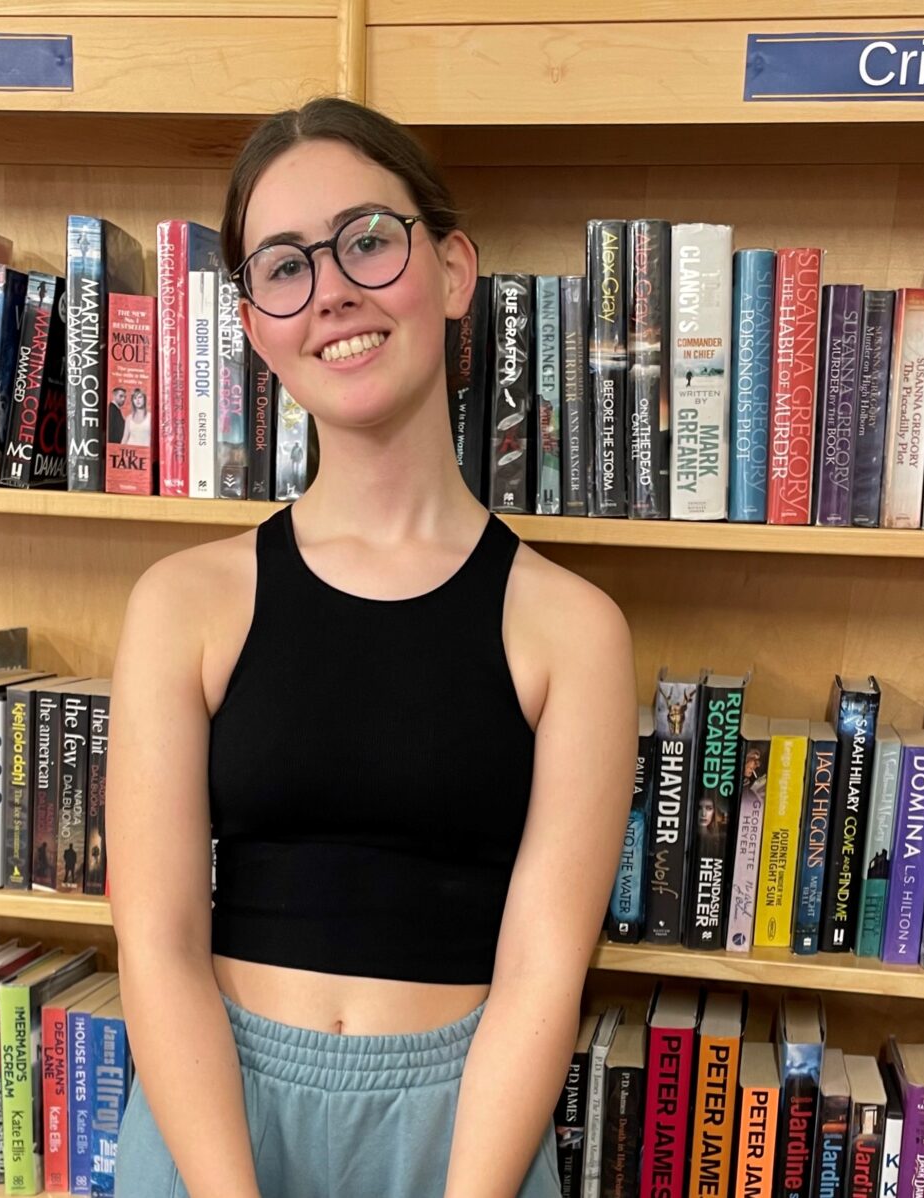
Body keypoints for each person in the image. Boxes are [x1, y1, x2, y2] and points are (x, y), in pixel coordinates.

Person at [108, 97, 636, 1198]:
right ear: (254, 327)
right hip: (219, 1125)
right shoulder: (182, 604)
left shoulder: (574, 629)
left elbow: (542, 970)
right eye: (283, 267)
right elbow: (155, 941)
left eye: (367, 240)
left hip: (463, 1136)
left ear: (451, 269)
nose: (332, 289)